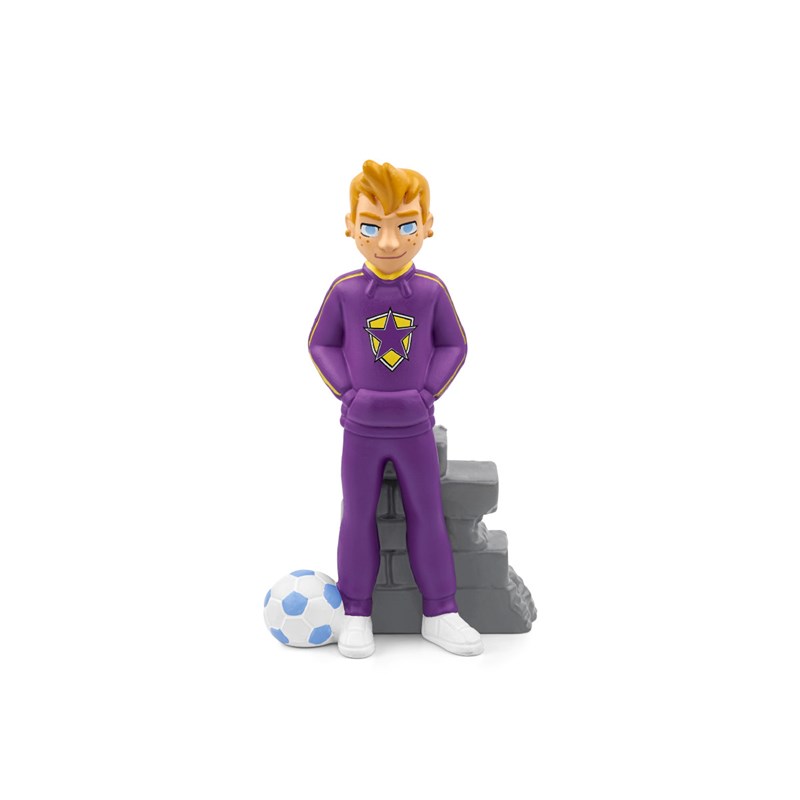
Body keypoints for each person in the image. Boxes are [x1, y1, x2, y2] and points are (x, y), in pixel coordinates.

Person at [308, 160, 483, 658]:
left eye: (405, 226)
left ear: (427, 226)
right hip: (361, 429)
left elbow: (454, 345)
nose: (388, 243)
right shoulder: (345, 291)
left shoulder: (430, 291)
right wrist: (348, 392)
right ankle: (356, 610)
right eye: (371, 227)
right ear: (350, 226)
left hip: (414, 427)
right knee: (356, 515)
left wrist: (426, 393)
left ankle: (441, 610)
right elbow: (321, 343)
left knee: (427, 514)